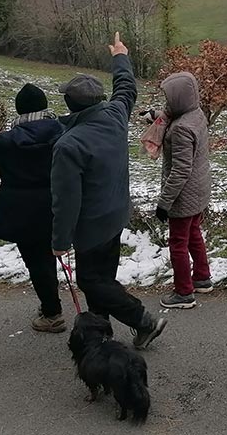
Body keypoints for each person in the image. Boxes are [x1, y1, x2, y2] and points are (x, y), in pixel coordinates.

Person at [51, 32, 167, 350]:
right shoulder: (115, 116)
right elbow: (126, 87)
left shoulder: (68, 145)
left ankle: (145, 321)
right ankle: (100, 333)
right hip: (116, 214)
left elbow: (66, 200)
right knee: (102, 278)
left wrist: (60, 241)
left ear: (70, 104)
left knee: (91, 281)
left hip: (91, 226)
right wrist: (120, 55)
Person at [0, 84, 66, 333]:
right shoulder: (62, 134)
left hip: (20, 212)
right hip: (57, 207)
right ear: (44, 108)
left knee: (36, 260)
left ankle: (52, 313)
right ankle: (52, 306)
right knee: (47, 257)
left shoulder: (6, 142)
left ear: (19, 111)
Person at [144, 72, 213, 310]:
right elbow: (172, 115)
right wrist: (155, 116)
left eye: (169, 98)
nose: (166, 103)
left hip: (183, 195)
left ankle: (184, 292)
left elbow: (181, 170)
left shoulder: (182, 129)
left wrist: (164, 203)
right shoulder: (196, 114)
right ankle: (202, 277)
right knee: (194, 232)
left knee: (177, 243)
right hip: (199, 190)